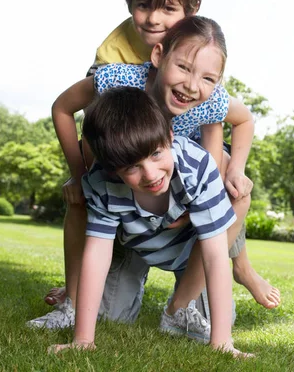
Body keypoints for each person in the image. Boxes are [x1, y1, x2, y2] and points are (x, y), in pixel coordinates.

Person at [28, 15, 280, 330]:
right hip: (128, 188)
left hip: (179, 183)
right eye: (184, 68)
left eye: (206, 78)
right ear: (158, 56)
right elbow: (63, 107)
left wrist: (234, 172)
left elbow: (243, 121)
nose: (191, 85)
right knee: (106, 313)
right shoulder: (119, 81)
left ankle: (190, 299)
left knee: (233, 189)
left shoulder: (207, 102)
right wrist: (78, 174)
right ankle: (76, 300)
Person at [49, 87, 254, 358]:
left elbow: (215, 257)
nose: (150, 174)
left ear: (170, 136)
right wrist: (83, 339)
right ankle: (119, 283)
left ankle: (178, 306)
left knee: (210, 322)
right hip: (138, 247)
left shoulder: (197, 167)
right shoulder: (102, 182)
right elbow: (96, 255)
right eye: (131, 168)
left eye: (156, 154)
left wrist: (222, 342)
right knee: (107, 316)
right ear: (113, 169)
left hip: (191, 255)